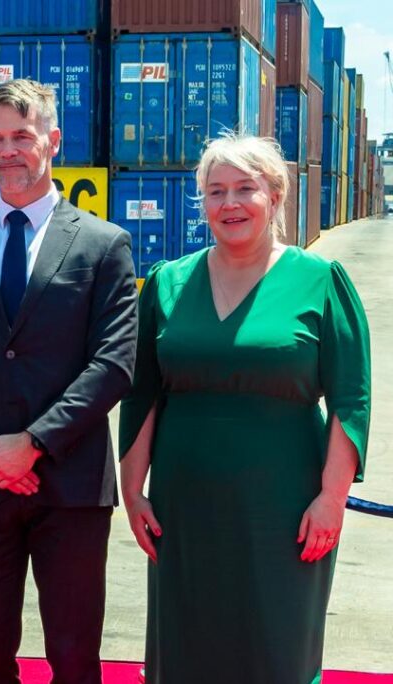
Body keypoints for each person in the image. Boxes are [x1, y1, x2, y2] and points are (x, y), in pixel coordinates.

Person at [119, 133, 370, 684]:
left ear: (275, 196)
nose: (229, 203)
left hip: (285, 507)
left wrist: (331, 500)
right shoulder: (167, 282)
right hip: (185, 506)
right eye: (216, 191)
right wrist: (132, 492)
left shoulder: (320, 281)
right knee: (187, 645)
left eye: (244, 189)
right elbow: (142, 394)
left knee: (277, 645)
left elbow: (351, 399)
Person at [0, 79, 138, 684]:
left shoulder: (103, 245)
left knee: (74, 657)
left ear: (53, 141)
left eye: (21, 135)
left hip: (70, 486)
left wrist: (34, 443)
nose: (7, 150)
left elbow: (113, 363)